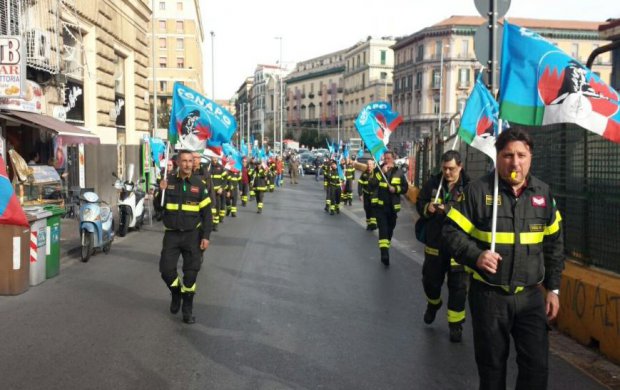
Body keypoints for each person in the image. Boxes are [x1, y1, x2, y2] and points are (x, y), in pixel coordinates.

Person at [443, 128, 564, 389]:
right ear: (497, 156)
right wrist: (476, 256)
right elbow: (450, 232)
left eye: (521, 155)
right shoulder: (477, 192)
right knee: (492, 370)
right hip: (489, 298)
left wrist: (553, 289)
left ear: (531, 156)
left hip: (531, 298)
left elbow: (554, 244)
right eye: (508, 155)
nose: (515, 162)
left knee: (537, 369)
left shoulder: (543, 194)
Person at [416, 150, 470, 343]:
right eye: (445, 168)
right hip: (435, 244)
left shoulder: (470, 187)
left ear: (460, 167)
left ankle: (456, 326)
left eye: (452, 169)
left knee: (459, 288)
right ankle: (433, 304)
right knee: (430, 282)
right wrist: (427, 209)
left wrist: (446, 209)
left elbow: (471, 214)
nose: (447, 173)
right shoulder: (433, 183)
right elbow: (420, 202)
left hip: (458, 248)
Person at [156, 150, 212, 324]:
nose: (187, 164)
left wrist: (206, 236)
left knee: (190, 276)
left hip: (192, 236)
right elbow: (159, 209)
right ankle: (176, 292)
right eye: (184, 161)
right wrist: (160, 192)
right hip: (172, 234)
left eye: (190, 161)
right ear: (178, 163)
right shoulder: (168, 182)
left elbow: (207, 214)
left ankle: (187, 310)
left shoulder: (199, 184)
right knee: (166, 271)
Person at [367, 151, 408, 266]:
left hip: (393, 208)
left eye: (388, 159)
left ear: (394, 159)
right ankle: (384, 254)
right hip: (380, 207)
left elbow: (405, 188)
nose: (386, 161)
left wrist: (396, 189)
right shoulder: (378, 170)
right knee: (383, 230)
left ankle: (386, 246)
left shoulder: (399, 172)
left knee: (390, 230)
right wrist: (381, 174)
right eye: (385, 159)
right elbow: (371, 184)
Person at [357, 159, 377, 230]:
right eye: (368, 164)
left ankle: (373, 224)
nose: (369, 166)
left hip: (374, 195)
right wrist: (360, 194)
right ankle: (369, 224)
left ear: (373, 165)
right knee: (367, 209)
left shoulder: (376, 174)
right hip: (366, 195)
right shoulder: (364, 174)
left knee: (373, 209)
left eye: (370, 164)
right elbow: (360, 184)